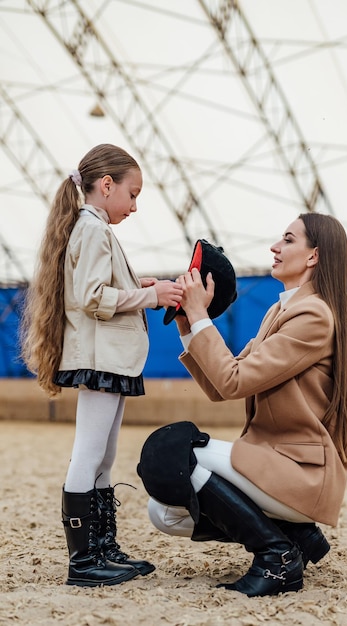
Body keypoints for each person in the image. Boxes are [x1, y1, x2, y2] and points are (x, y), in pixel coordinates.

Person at [140, 212, 347, 597]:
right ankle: (294, 536)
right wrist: (189, 322)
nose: (275, 247)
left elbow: (231, 381)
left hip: (300, 472)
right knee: (164, 513)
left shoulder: (314, 315)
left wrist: (202, 313)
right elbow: (223, 386)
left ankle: (277, 556)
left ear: (313, 256)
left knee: (171, 456)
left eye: (287, 240)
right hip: (273, 462)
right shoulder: (279, 311)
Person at [21, 143, 183, 587]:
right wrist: (151, 296)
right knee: (90, 454)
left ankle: (102, 547)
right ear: (106, 186)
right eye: (132, 194)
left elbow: (100, 287)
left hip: (111, 360)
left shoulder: (94, 229)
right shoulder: (91, 230)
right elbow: (91, 297)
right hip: (101, 360)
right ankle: (83, 561)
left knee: (105, 456)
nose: (134, 205)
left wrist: (139, 284)